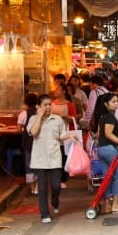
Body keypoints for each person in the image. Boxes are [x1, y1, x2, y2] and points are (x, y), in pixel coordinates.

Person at [27, 95, 78, 223]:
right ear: (38, 106)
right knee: (42, 188)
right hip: (39, 159)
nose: (48, 107)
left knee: (56, 186)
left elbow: (61, 135)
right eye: (45, 105)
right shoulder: (33, 119)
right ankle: (45, 214)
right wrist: (39, 116)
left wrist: (70, 135)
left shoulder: (57, 119)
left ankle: (55, 201)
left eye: (50, 104)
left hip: (54, 157)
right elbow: (33, 132)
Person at [94, 92, 118, 214]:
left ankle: (107, 205)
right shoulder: (109, 117)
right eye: (113, 102)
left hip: (101, 149)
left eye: (117, 101)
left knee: (107, 177)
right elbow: (108, 134)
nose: (116, 104)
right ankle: (115, 204)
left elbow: (100, 134)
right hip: (109, 149)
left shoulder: (102, 117)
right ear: (106, 104)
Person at [18, 93, 39, 195]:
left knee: (28, 163)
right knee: (39, 163)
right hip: (39, 142)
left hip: (28, 143)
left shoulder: (23, 113)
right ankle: (37, 185)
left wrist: (23, 130)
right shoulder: (39, 112)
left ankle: (31, 186)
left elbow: (18, 129)